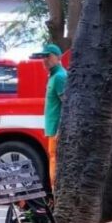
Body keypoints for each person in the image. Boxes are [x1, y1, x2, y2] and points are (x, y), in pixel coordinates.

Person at [40, 42, 67, 186]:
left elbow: (66, 105)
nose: (45, 59)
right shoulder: (54, 76)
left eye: (48, 56)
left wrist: (60, 130)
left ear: (58, 57)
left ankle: (57, 200)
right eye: (43, 57)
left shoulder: (59, 77)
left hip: (57, 130)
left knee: (55, 163)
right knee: (53, 160)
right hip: (53, 129)